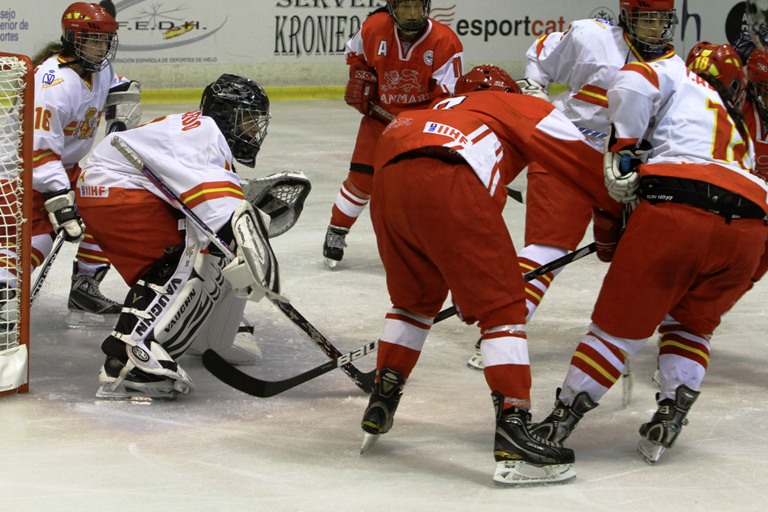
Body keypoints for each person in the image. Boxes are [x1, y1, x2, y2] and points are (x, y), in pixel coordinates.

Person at [358, 64, 638, 486]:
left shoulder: (435, 108)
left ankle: (383, 395)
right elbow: (581, 162)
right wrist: (613, 218)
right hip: (448, 176)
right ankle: (515, 429)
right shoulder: (513, 103)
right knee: (504, 307)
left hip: (390, 181)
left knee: (413, 303)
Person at [531, 43, 767, 465]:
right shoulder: (742, 135)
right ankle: (671, 413)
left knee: (615, 332)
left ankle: (559, 422)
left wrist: (621, 147)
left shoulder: (677, 75)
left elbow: (634, 80)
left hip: (678, 211)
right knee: (692, 325)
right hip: (750, 230)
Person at [466, 0, 681, 369]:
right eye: (647, 18)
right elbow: (541, 54)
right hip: (564, 152)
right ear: (628, 15)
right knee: (547, 252)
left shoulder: (675, 70)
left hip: (625, 173)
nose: (654, 28)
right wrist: (534, 89)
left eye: (661, 20)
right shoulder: (591, 36)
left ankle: (673, 354)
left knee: (657, 260)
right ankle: (501, 330)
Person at [77, 74, 280, 399]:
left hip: (107, 188)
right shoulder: (207, 138)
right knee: (195, 257)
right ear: (227, 114)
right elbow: (224, 222)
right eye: (248, 122)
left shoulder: (201, 130)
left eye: (257, 124)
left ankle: (170, 343)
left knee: (180, 258)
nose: (254, 132)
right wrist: (259, 263)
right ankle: (136, 360)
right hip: (115, 191)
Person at [322, 0, 463, 268]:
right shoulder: (374, 27)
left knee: (420, 186)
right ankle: (337, 230)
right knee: (362, 179)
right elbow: (354, 52)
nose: (412, 14)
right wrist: (361, 74)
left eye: (417, 6)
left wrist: (423, 126)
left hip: (420, 125)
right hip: (379, 118)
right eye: (405, 6)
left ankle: (422, 245)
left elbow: (447, 98)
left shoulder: (445, 41)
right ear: (393, 8)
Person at [26, 2, 142, 324]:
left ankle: (84, 286)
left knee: (110, 206)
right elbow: (39, 152)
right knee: (40, 239)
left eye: (105, 40)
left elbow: (116, 86)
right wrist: (61, 200)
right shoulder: (52, 85)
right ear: (73, 39)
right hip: (24, 173)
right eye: (94, 40)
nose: (101, 48)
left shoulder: (98, 68)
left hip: (65, 168)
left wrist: (122, 100)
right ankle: (7, 290)